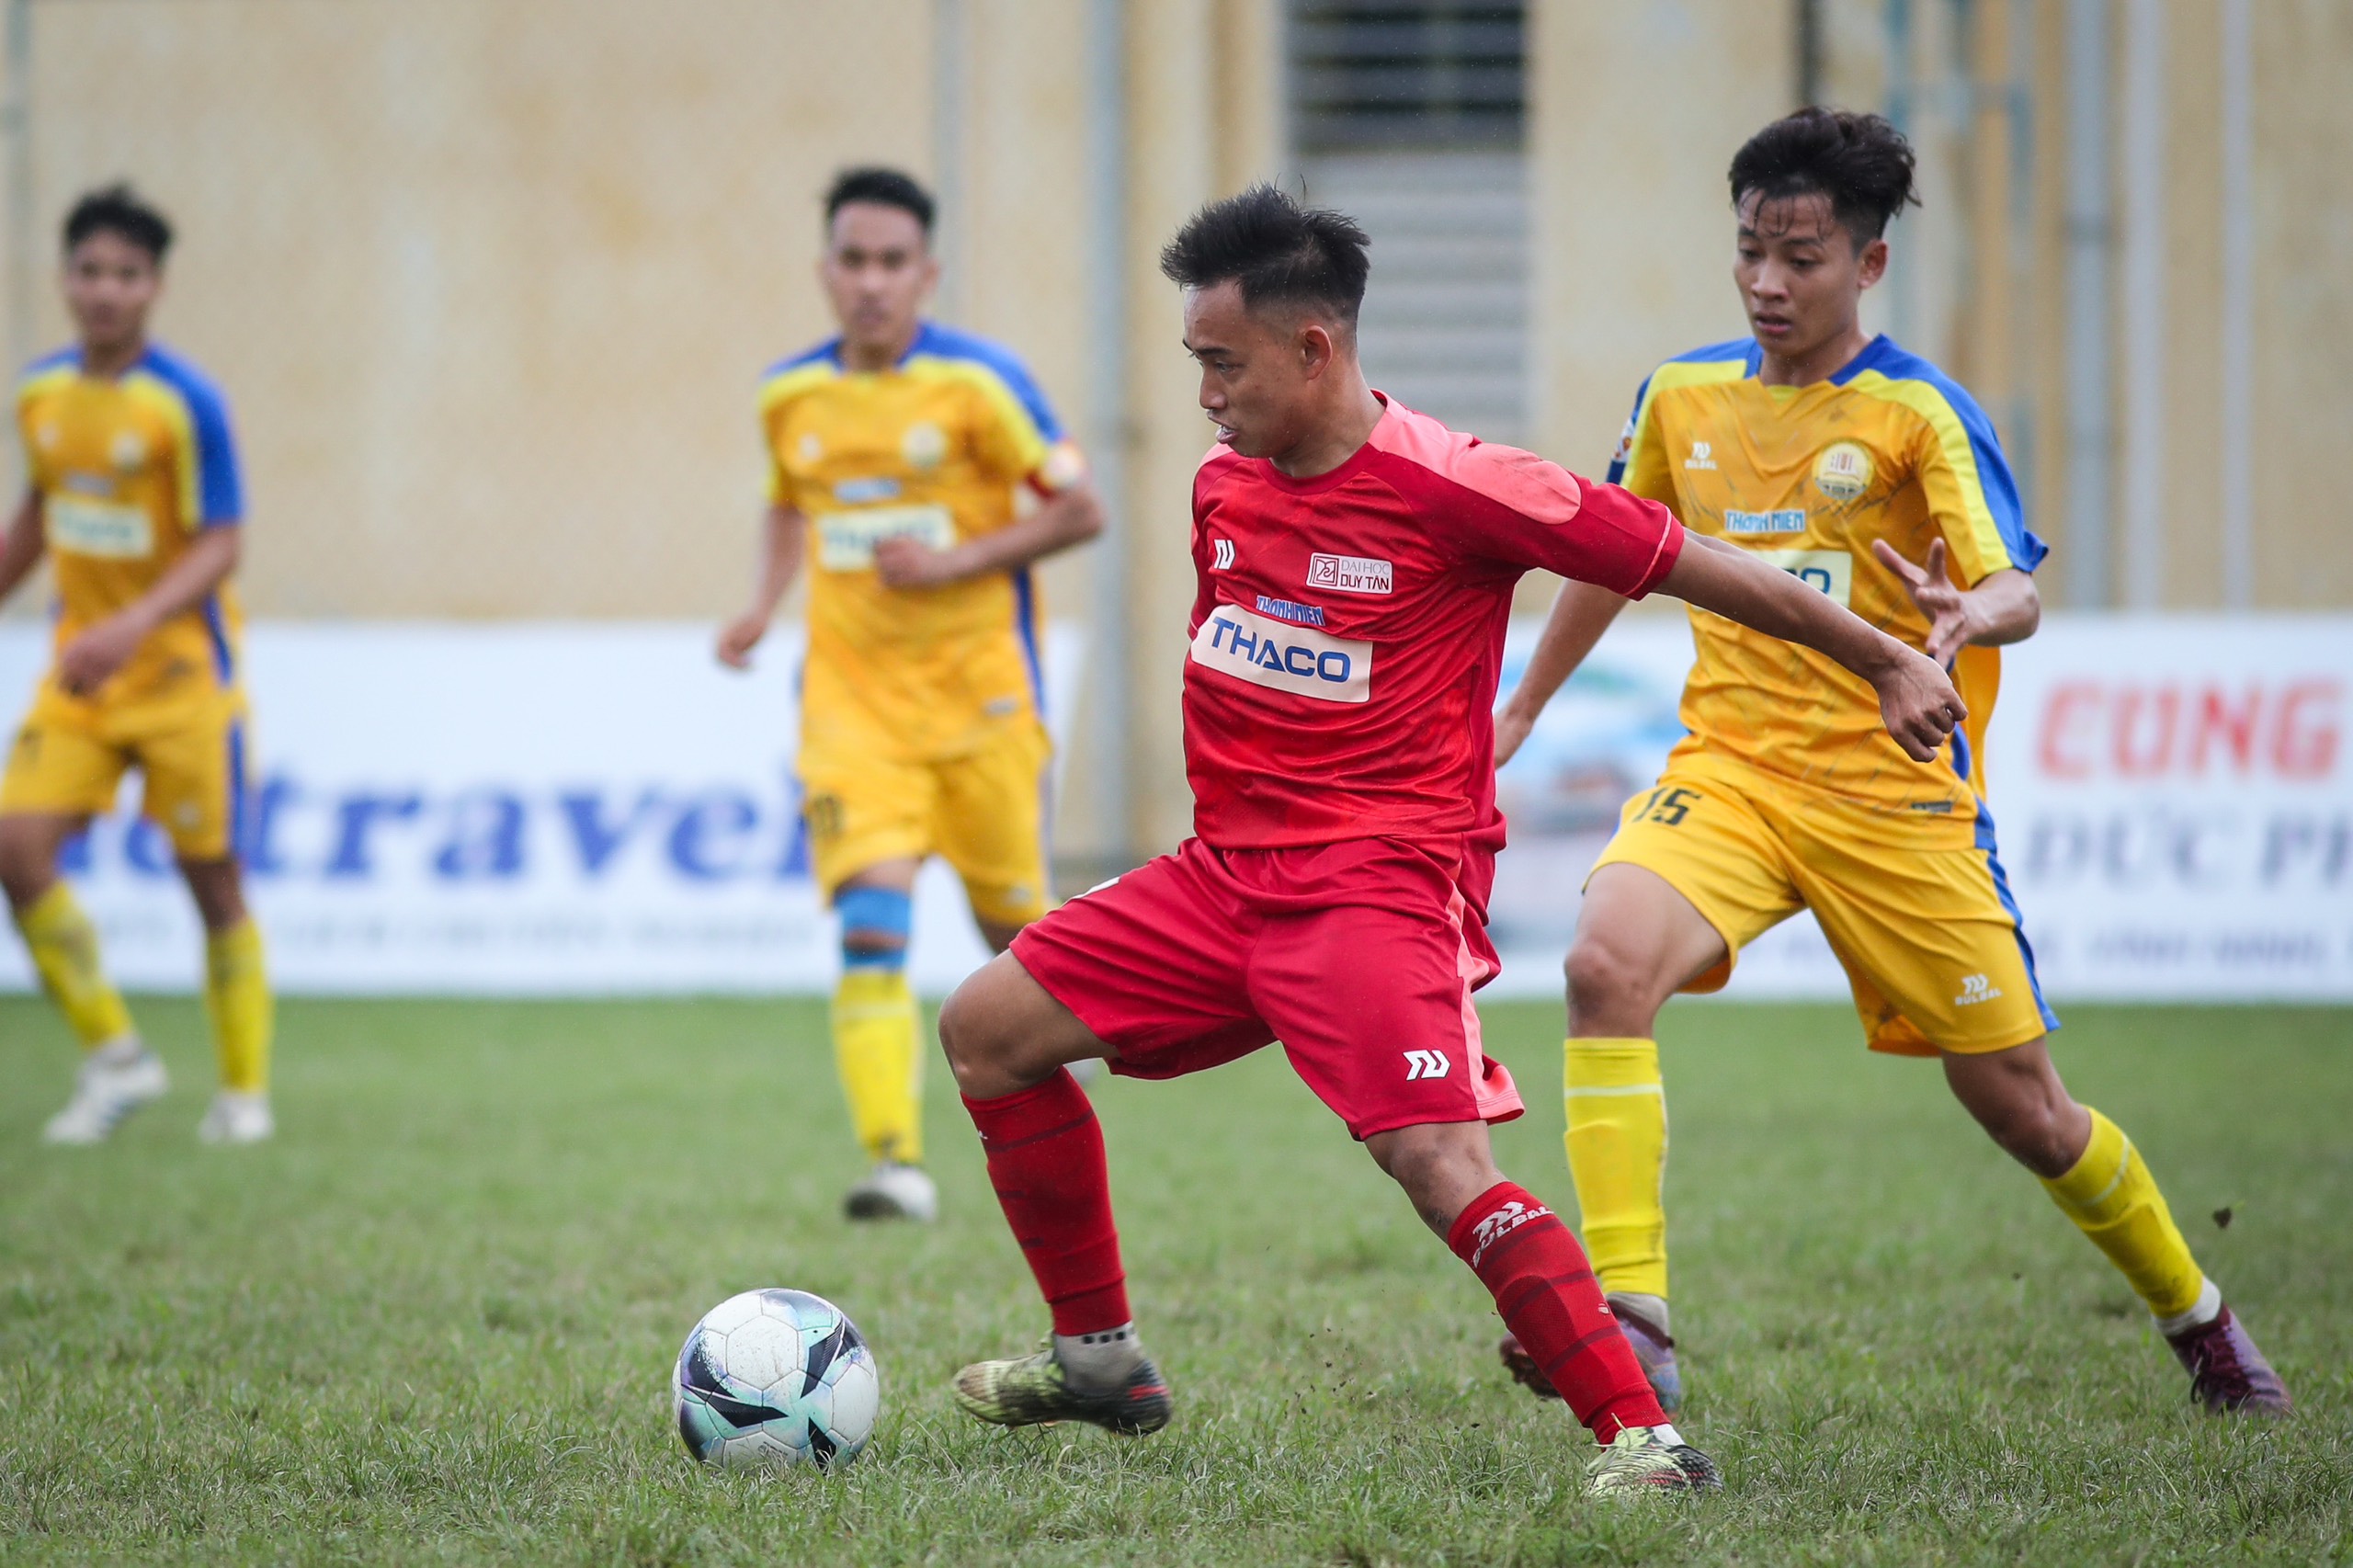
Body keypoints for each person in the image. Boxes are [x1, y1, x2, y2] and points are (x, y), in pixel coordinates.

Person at [934, 185, 1972, 1496]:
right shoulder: (1223, 483)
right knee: (986, 1025)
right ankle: (1098, 1358)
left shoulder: (1464, 484)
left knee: (1437, 1164)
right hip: (1217, 883)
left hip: (1372, 894)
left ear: (1314, 350)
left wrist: (1883, 654)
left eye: (1221, 362)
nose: (1203, 393)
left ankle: (1644, 1441)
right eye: (1194, 362)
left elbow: (1703, 564)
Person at [1492, 108, 2289, 1416]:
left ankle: (2199, 1319)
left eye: (1799, 257)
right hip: (1733, 775)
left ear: (1866, 265)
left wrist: (1969, 614)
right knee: (1600, 962)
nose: (1765, 281)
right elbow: (1616, 553)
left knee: (2028, 1111)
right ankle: (1633, 1313)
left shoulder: (1921, 413)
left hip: (1899, 801)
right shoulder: (1681, 394)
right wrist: (1520, 712)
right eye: (1750, 249)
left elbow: (2010, 588)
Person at [718, 168, 1104, 1222]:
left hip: (982, 707)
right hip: (852, 712)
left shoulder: (981, 383)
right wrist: (760, 605)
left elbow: (1080, 510)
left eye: (893, 263)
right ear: (825, 271)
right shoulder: (787, 395)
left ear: (925, 273)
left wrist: (954, 561)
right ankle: (893, 1162)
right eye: (854, 261)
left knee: (1022, 944)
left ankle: (1105, 1071)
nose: (872, 282)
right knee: (871, 923)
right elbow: (786, 505)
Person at [0, 184, 274, 1146]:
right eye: (90, 271)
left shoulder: (184, 403)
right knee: (15, 847)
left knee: (213, 881)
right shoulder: (41, 393)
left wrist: (134, 623)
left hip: (181, 683)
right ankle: (117, 1057)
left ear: (154, 286)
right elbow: (43, 512)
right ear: (65, 279)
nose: (106, 290)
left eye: (126, 273)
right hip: (79, 684)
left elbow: (221, 541)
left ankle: (242, 1096)